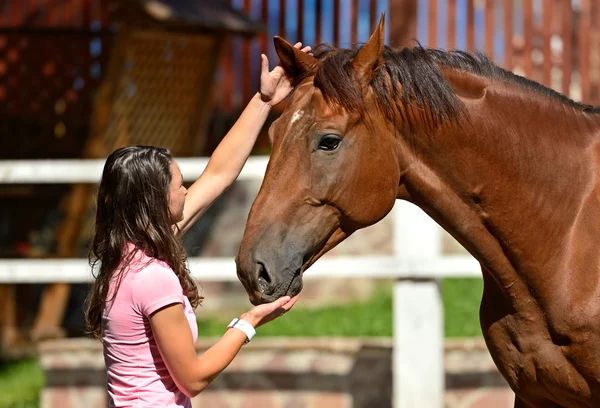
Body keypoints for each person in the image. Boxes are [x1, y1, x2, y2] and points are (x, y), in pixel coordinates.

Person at [84, 43, 310, 407]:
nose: (186, 189)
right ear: (154, 201)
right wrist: (248, 323)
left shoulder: (128, 257)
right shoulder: (152, 276)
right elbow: (192, 379)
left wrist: (264, 101)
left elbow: (218, 174)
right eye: (177, 184)